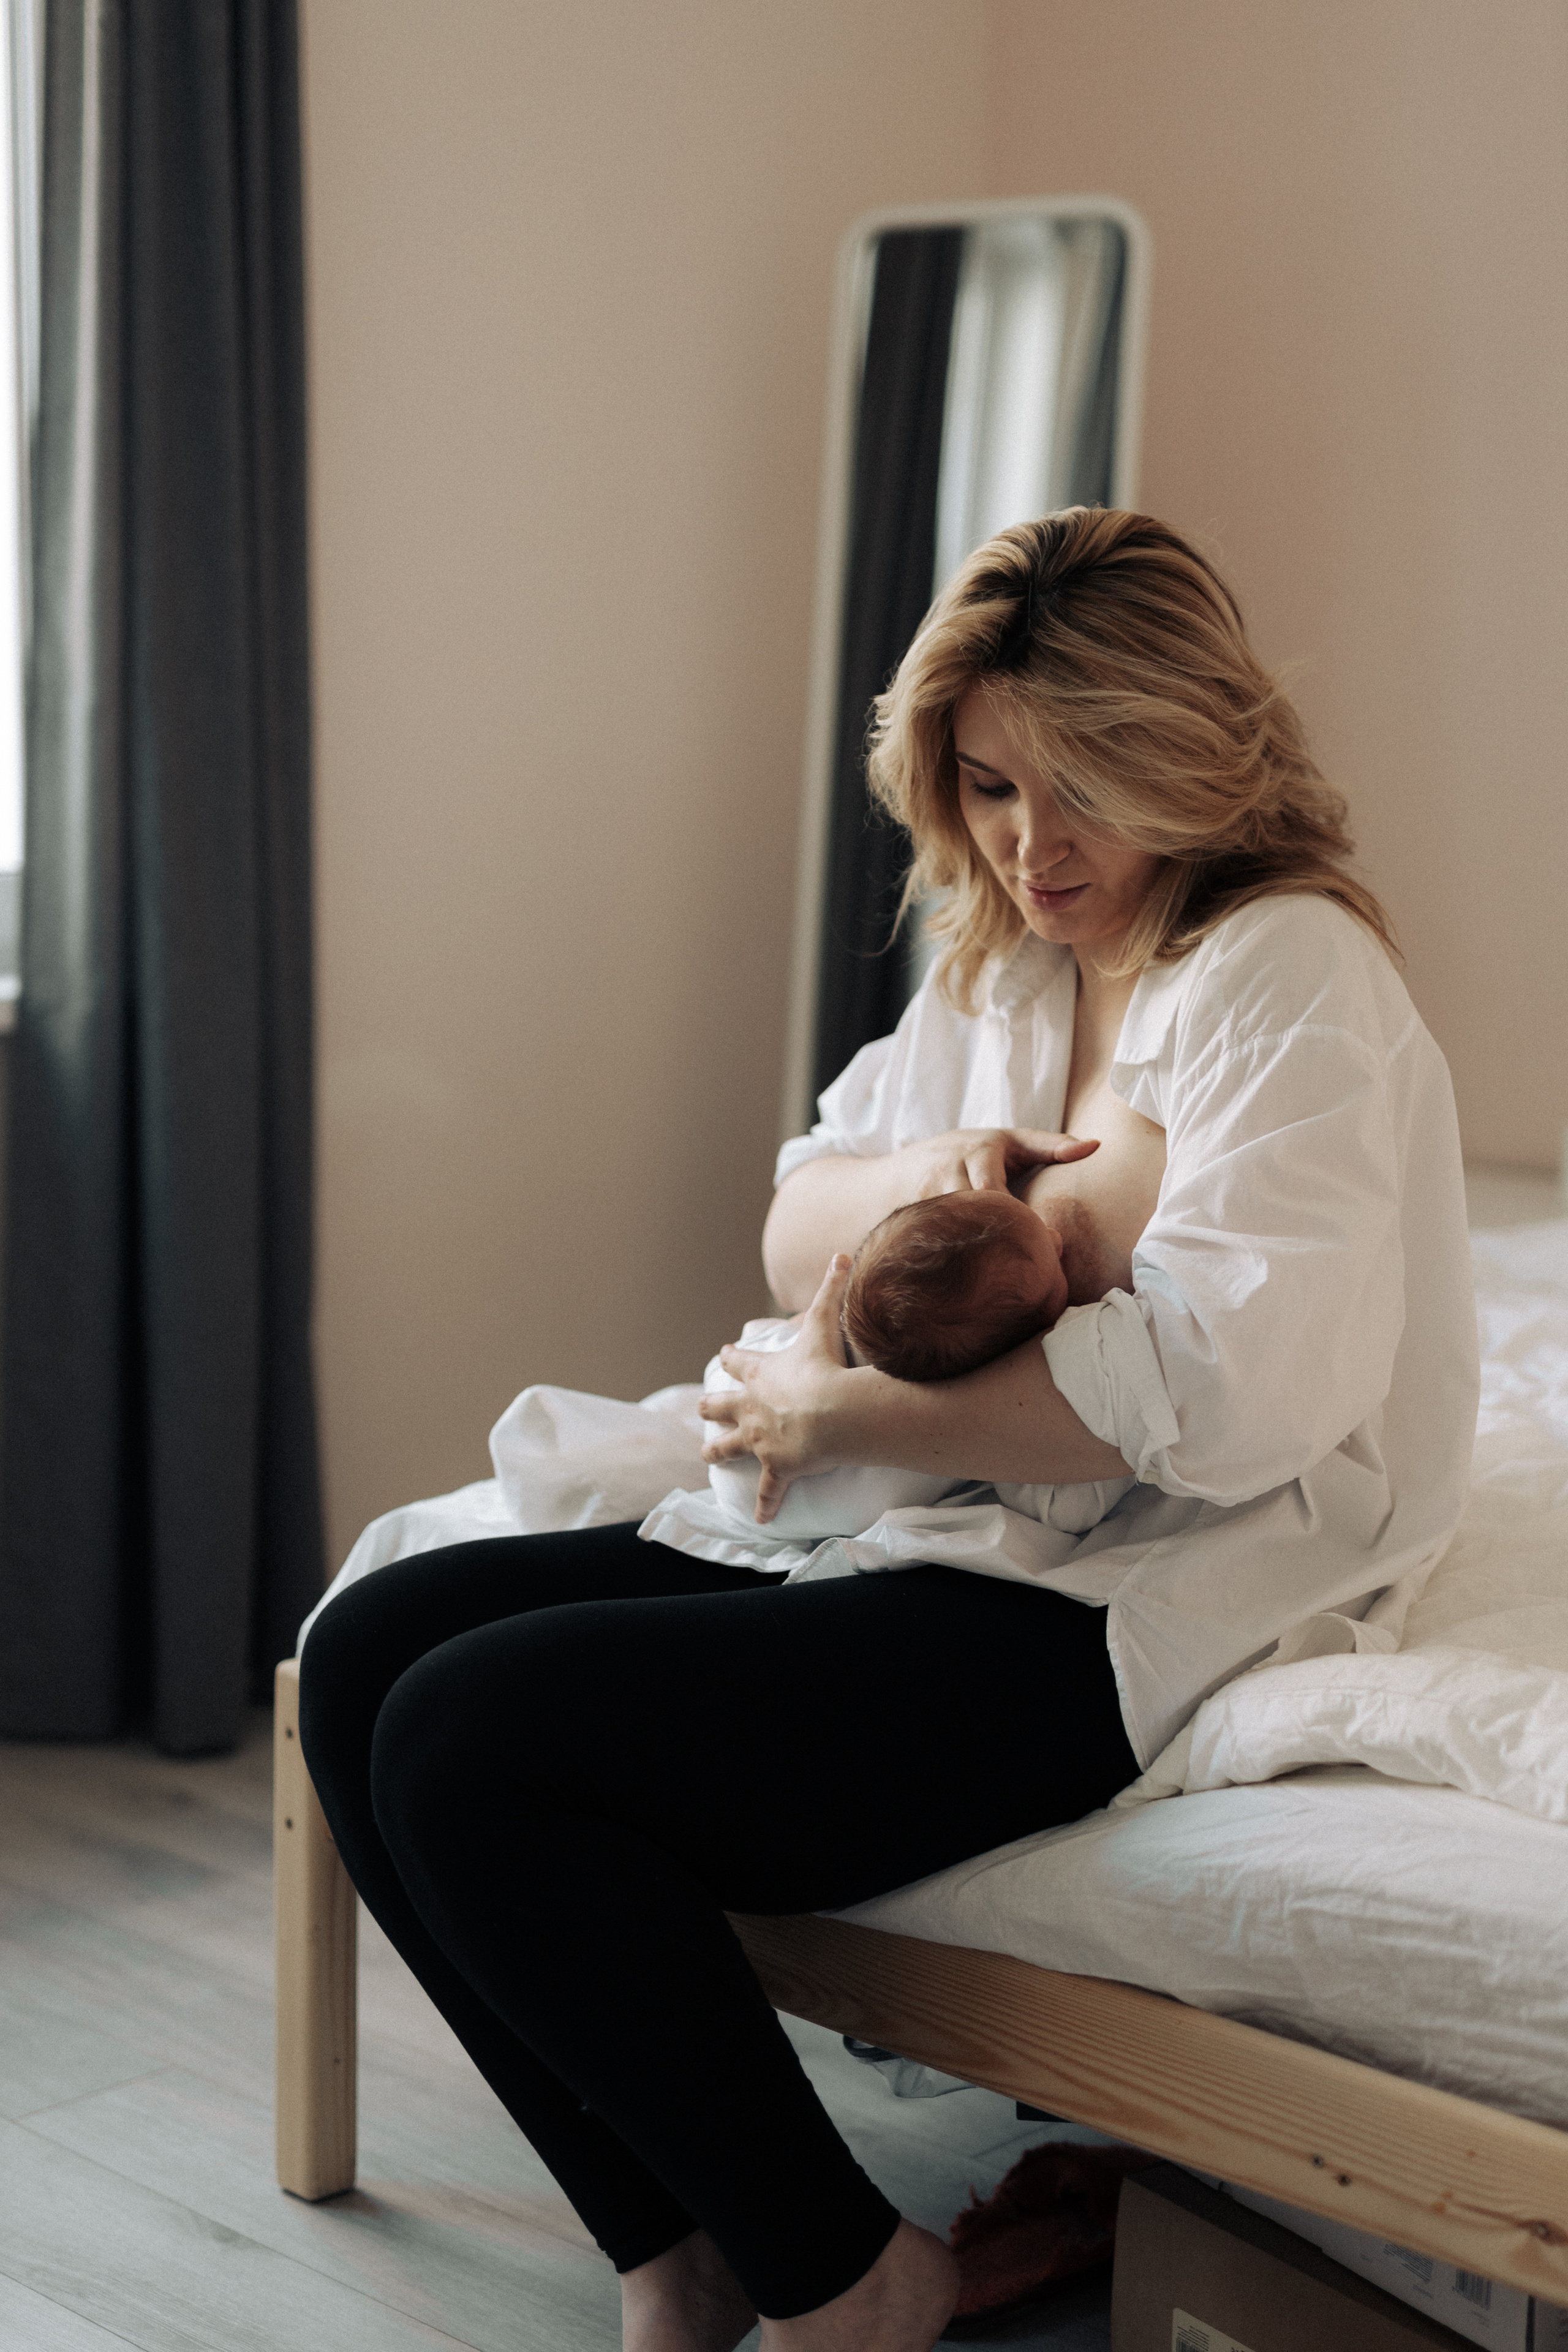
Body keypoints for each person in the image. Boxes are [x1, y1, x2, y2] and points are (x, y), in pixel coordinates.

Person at [297, 510, 1478, 2352]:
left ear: (1191, 748)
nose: (1031, 842)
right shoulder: (1009, 958)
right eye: (994, 787)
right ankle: (673, 2245)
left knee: (472, 1738)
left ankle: (854, 2284)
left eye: (1077, 786)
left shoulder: (1288, 975)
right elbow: (791, 1215)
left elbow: (1227, 1402)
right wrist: (919, 1179)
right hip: (920, 1523)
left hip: (1129, 1594)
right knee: (369, 1644)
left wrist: (835, 1396)